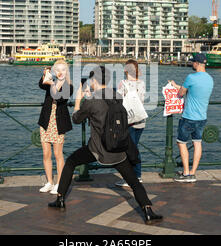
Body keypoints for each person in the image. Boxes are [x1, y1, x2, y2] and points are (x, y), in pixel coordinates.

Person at [48, 66, 163, 225]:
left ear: (94, 80)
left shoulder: (92, 100)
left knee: (71, 162)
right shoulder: (117, 96)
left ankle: (60, 199)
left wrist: (79, 101)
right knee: (133, 181)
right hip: (118, 148)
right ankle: (148, 210)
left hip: (97, 149)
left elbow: (76, 119)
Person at [169, 53, 214, 183]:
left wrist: (175, 87)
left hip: (189, 117)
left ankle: (186, 173)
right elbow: (192, 91)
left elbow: (181, 93)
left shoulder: (191, 77)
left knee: (181, 142)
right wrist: (176, 84)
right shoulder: (210, 79)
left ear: (197, 64)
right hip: (202, 117)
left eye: (193, 62)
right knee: (197, 143)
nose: (191, 64)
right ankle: (193, 173)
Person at [38, 59, 73, 194]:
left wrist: (52, 83)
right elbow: (41, 85)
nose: (60, 72)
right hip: (46, 121)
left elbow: (59, 98)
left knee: (58, 154)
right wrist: (45, 75)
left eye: (63, 69)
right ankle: (49, 182)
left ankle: (59, 183)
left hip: (58, 123)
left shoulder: (68, 86)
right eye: (57, 70)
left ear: (66, 71)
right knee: (46, 153)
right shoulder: (50, 81)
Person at [115, 59, 145, 187]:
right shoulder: (142, 83)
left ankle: (134, 177)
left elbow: (118, 100)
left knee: (130, 150)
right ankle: (136, 176)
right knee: (135, 147)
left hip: (129, 121)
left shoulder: (123, 83)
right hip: (141, 120)